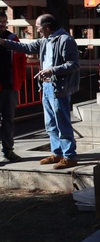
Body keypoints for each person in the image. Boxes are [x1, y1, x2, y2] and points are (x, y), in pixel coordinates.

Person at [0, 14, 80, 169]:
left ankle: (69, 156)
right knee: (50, 123)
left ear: (47, 27)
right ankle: (57, 153)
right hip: (46, 86)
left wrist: (52, 70)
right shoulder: (45, 40)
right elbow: (26, 48)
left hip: (59, 89)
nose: (37, 30)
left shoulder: (65, 40)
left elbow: (74, 64)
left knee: (62, 123)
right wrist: (4, 42)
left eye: (38, 27)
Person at [0, 12, 26, 163]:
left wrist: (20, 80)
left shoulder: (12, 38)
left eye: (4, 22)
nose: (2, 25)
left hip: (10, 87)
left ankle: (8, 150)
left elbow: (22, 59)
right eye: (0, 22)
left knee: (9, 120)